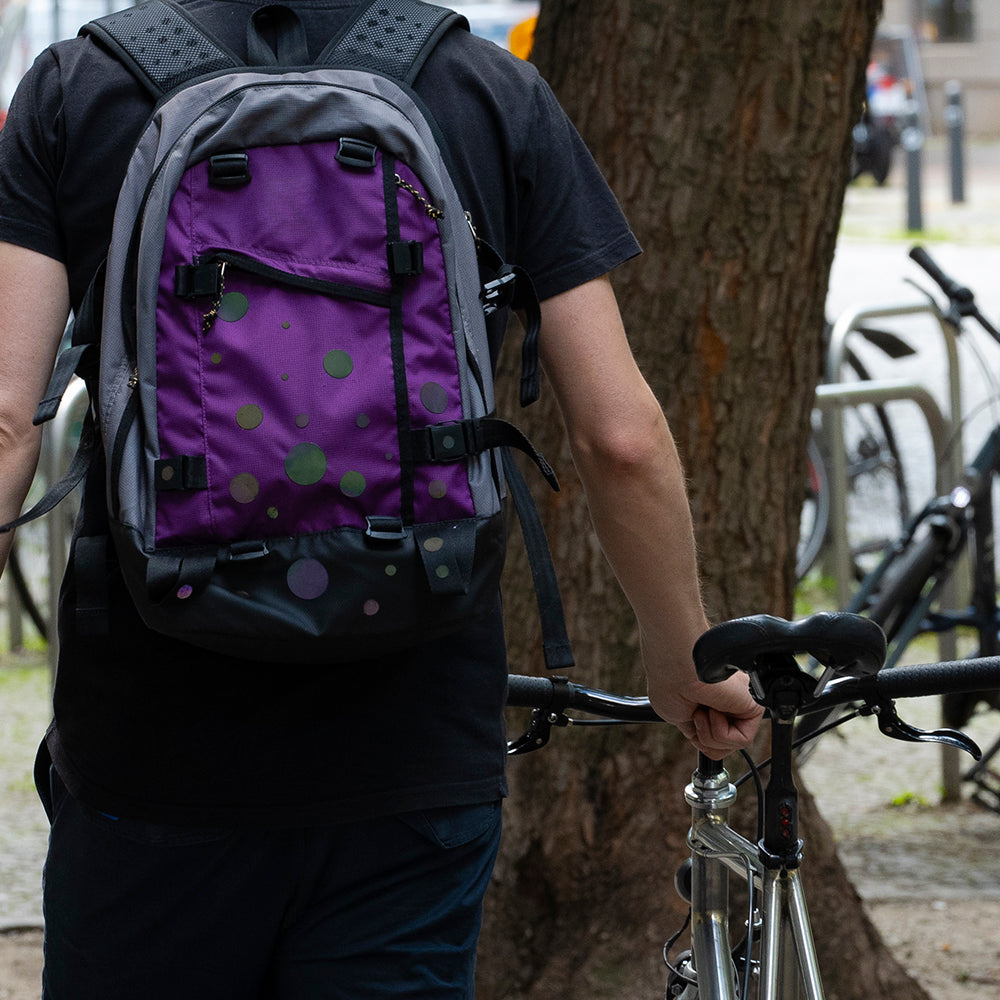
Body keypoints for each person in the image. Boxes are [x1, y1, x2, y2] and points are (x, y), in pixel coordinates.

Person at [0, 2, 762, 996]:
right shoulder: (484, 90)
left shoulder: (76, 90)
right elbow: (618, 438)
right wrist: (679, 653)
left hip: (151, 746)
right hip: (413, 740)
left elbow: (9, 419)